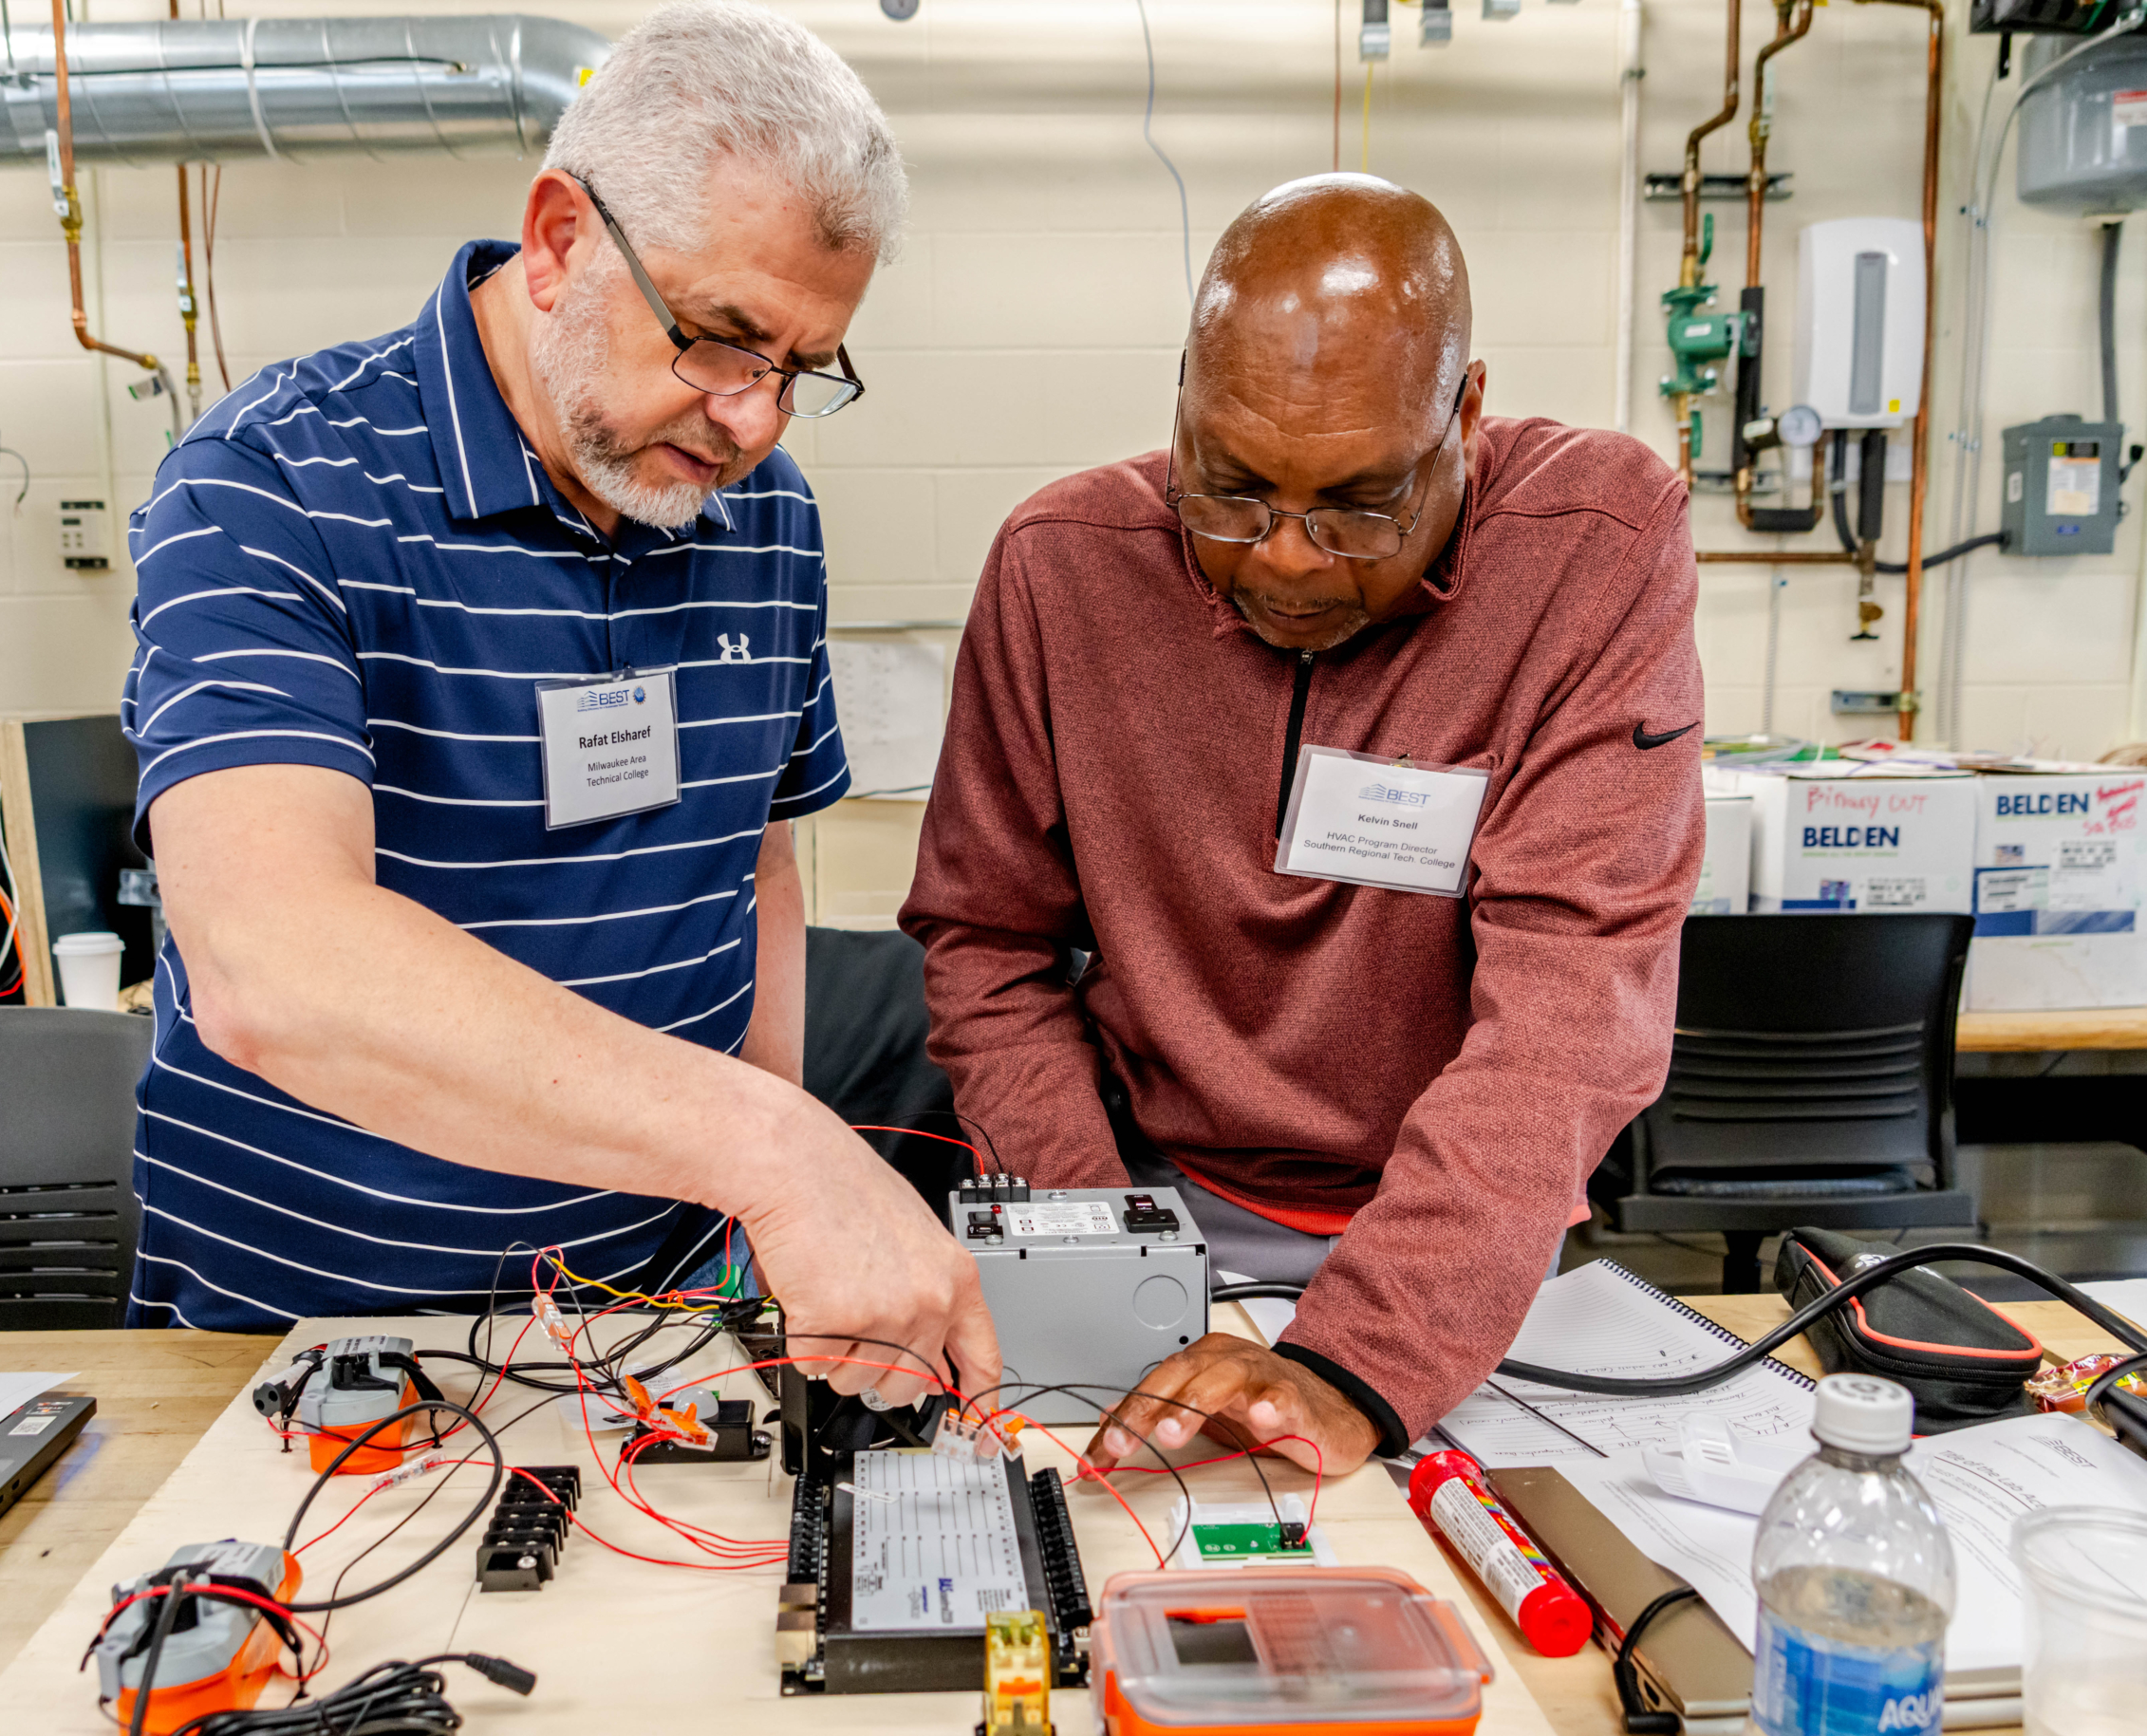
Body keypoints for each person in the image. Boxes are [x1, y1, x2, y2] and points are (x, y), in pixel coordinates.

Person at [122, 0, 996, 1408]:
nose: (755, 418)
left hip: (650, 1333)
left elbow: (755, 859)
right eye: (719, 339)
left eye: (803, 366)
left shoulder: (760, 516)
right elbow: (267, 962)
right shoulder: (269, 482)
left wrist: (743, 1219)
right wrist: (773, 1147)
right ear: (557, 239)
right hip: (312, 1352)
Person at [900, 175, 1705, 1474]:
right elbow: (986, 945)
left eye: (1359, 504)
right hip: (1147, 1200)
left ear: (1469, 413)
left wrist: (1358, 1357)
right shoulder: (1061, 566)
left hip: (1458, 1253)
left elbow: (1573, 1003)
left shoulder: (1595, 548)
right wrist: (1104, 1262)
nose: (1284, 556)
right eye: (1231, 488)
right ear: (1178, 401)